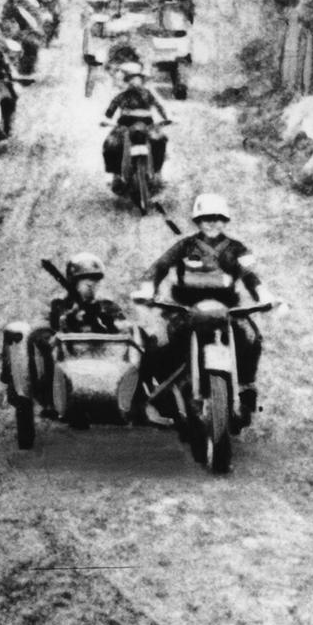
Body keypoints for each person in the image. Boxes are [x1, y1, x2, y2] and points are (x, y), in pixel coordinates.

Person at [135, 194, 273, 420]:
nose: (212, 222)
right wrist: (148, 288)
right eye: (206, 218)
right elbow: (160, 266)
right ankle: (152, 394)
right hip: (185, 309)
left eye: (218, 218)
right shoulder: (185, 245)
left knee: (251, 338)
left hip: (226, 311)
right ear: (197, 221)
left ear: (225, 220)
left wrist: (263, 294)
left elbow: (250, 274)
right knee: (156, 342)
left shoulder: (236, 248)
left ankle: (246, 385)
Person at [27, 252, 126, 403]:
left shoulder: (108, 306)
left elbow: (125, 333)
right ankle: (49, 398)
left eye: (96, 279)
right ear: (73, 282)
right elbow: (42, 333)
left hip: (105, 363)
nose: (91, 284)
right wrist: (68, 320)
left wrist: (107, 323)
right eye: (85, 279)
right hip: (69, 363)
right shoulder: (58, 305)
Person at [103, 62, 170, 179]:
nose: (135, 82)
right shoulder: (122, 96)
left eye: (138, 79)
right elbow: (110, 110)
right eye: (132, 79)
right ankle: (116, 174)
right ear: (128, 81)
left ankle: (157, 171)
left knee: (160, 141)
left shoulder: (148, 94)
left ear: (142, 81)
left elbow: (158, 106)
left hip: (147, 125)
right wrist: (106, 118)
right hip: (124, 125)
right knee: (111, 143)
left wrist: (166, 118)